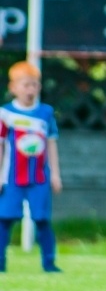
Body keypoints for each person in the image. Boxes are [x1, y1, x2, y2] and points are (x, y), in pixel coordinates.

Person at [0, 61, 62, 272]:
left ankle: (49, 263)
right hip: (12, 177)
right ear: (13, 87)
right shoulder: (5, 114)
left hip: (39, 177)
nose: (30, 90)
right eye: (25, 85)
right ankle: (1, 263)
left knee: (42, 219)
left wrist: (55, 174)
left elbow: (51, 143)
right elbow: (1, 146)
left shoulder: (46, 113)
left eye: (34, 85)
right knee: (4, 219)